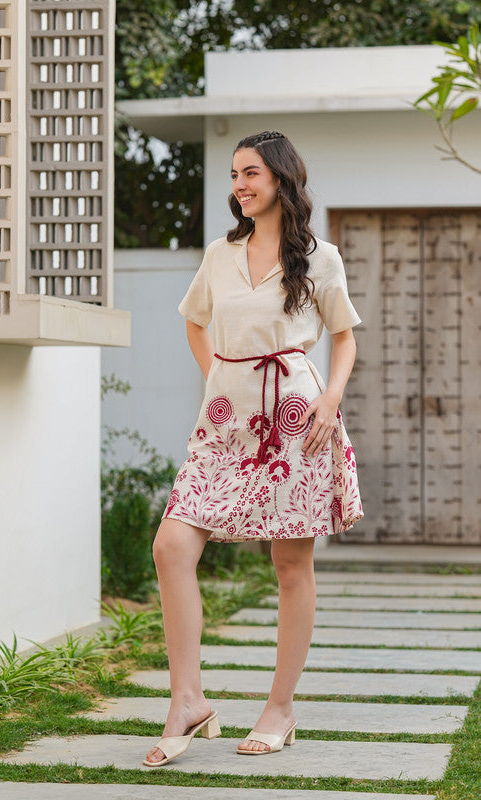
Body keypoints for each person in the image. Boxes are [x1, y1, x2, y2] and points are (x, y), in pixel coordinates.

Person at [143, 130, 363, 767]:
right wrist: (218, 378)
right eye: (235, 174)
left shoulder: (321, 259)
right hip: (225, 420)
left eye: (251, 173)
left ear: (282, 181)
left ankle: (280, 709)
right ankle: (188, 698)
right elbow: (195, 319)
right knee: (172, 544)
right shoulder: (219, 253)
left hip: (297, 417)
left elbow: (344, 339)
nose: (239, 184)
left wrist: (331, 398)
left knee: (290, 566)